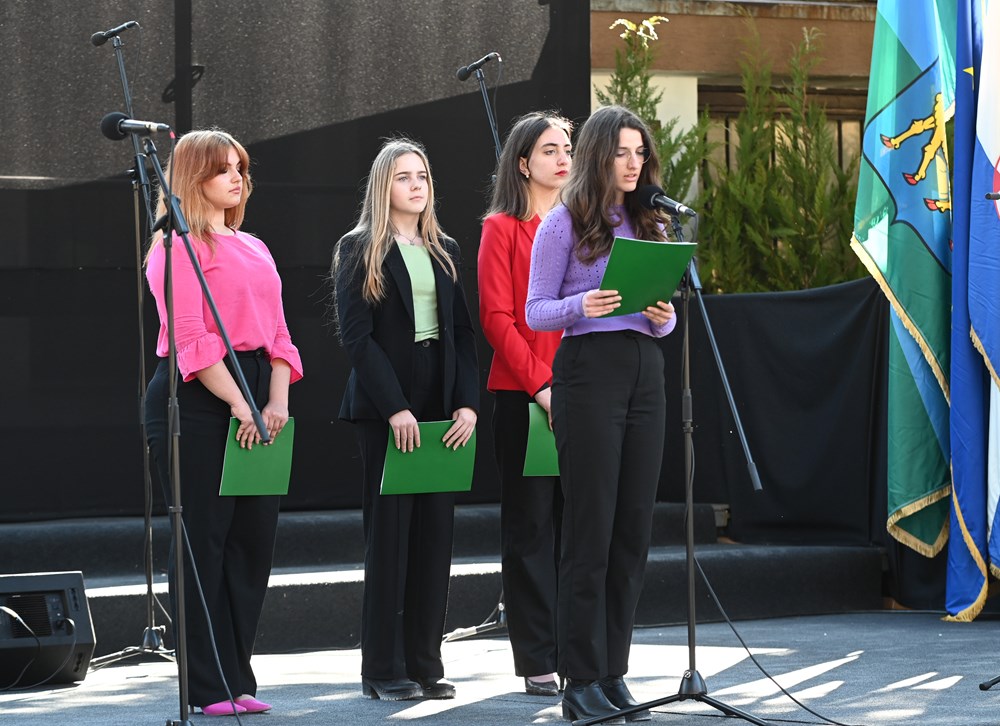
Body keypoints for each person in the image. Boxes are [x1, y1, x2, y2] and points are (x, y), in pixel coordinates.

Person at [525, 105, 676, 723]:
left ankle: (613, 673)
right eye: (622, 152)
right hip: (588, 372)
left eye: (641, 152)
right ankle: (579, 679)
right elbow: (535, 309)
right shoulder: (563, 221)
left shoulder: (649, 221)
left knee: (632, 531)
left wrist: (663, 318)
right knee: (591, 530)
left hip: (645, 370)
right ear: (597, 155)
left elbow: (657, 313)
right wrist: (581, 304)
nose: (634, 163)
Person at [144, 129, 303, 717]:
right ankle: (206, 686)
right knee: (202, 542)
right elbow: (191, 337)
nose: (237, 178)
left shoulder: (255, 246)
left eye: (240, 167)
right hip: (198, 397)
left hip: (259, 389)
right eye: (222, 169)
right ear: (193, 178)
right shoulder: (174, 249)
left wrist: (276, 401)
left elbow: (280, 332)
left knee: (251, 544)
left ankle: (237, 678)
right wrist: (240, 404)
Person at [332, 138, 479, 701]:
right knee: (390, 540)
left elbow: (462, 333)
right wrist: (395, 407)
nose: (416, 185)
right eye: (403, 177)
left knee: (434, 540)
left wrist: (466, 402)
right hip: (386, 404)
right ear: (382, 186)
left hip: (441, 402)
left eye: (422, 176)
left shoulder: (444, 248)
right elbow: (357, 339)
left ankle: (424, 665)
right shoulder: (358, 248)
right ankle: (383, 670)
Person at [477, 111, 572, 697]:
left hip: (582, 396)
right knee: (532, 528)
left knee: (579, 528)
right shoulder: (501, 228)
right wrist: (543, 388)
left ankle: (578, 651)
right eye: (549, 150)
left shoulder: (583, 227)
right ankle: (538, 656)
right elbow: (497, 319)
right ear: (522, 163)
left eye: (567, 148)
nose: (563, 159)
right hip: (525, 398)